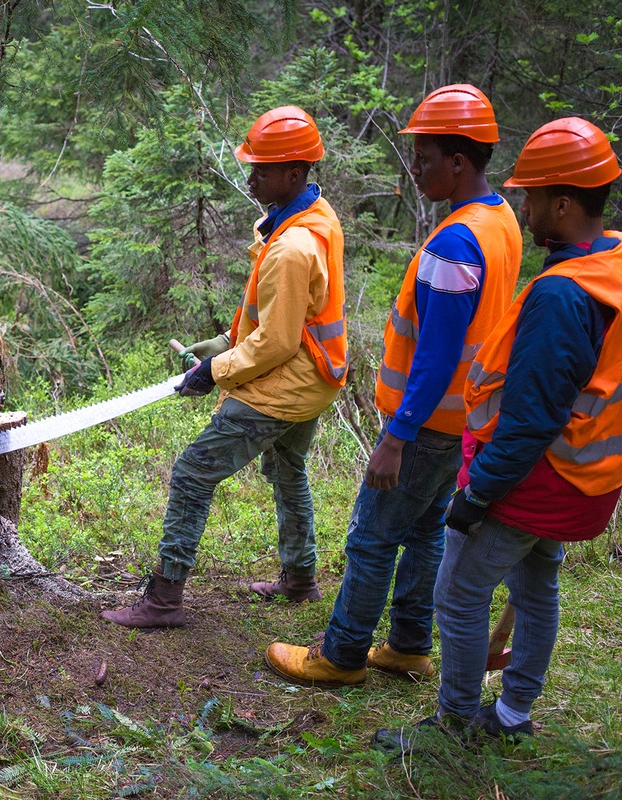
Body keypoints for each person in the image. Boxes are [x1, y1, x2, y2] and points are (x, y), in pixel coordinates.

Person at [375, 117, 622, 752]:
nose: (526, 206)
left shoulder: (562, 297)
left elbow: (531, 418)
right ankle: (512, 714)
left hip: (532, 482)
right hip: (583, 485)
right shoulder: (611, 264)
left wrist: (476, 495)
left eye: (534, 196)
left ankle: (453, 724)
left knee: (458, 593)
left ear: (563, 203)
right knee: (538, 588)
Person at [264, 85, 522, 686]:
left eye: (425, 156)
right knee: (426, 529)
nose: (415, 167)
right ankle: (407, 644)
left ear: (459, 163)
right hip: (461, 420)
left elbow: (435, 355)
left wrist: (396, 434)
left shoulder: (456, 243)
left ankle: (343, 653)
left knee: (372, 536)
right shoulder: (500, 220)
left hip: (427, 423)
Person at [102, 106, 347, 627]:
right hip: (315, 380)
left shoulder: (294, 245)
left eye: (261, 168)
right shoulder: (314, 217)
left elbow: (277, 344)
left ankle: (164, 599)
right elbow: (289, 317)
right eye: (251, 165)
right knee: (286, 466)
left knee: (193, 472)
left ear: (295, 174)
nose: (251, 176)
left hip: (285, 386)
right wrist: (223, 343)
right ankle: (300, 578)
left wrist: (213, 371)